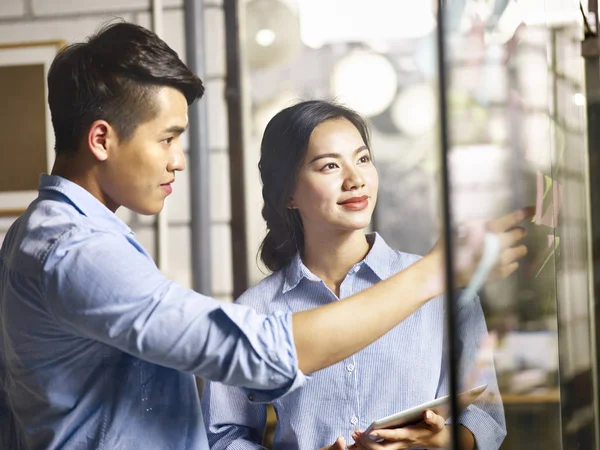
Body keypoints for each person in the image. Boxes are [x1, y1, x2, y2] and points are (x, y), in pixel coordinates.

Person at [0, 22, 526, 450]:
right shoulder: (74, 250)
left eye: (363, 159)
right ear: (101, 139)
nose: (179, 162)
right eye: (167, 139)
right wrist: (434, 272)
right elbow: (254, 356)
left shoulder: (56, 238)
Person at [202, 100, 517, 450]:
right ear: (288, 193)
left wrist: (440, 440)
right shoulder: (255, 310)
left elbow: (485, 419)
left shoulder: (443, 286)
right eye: (329, 166)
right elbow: (223, 436)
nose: (355, 180)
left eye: (363, 159)